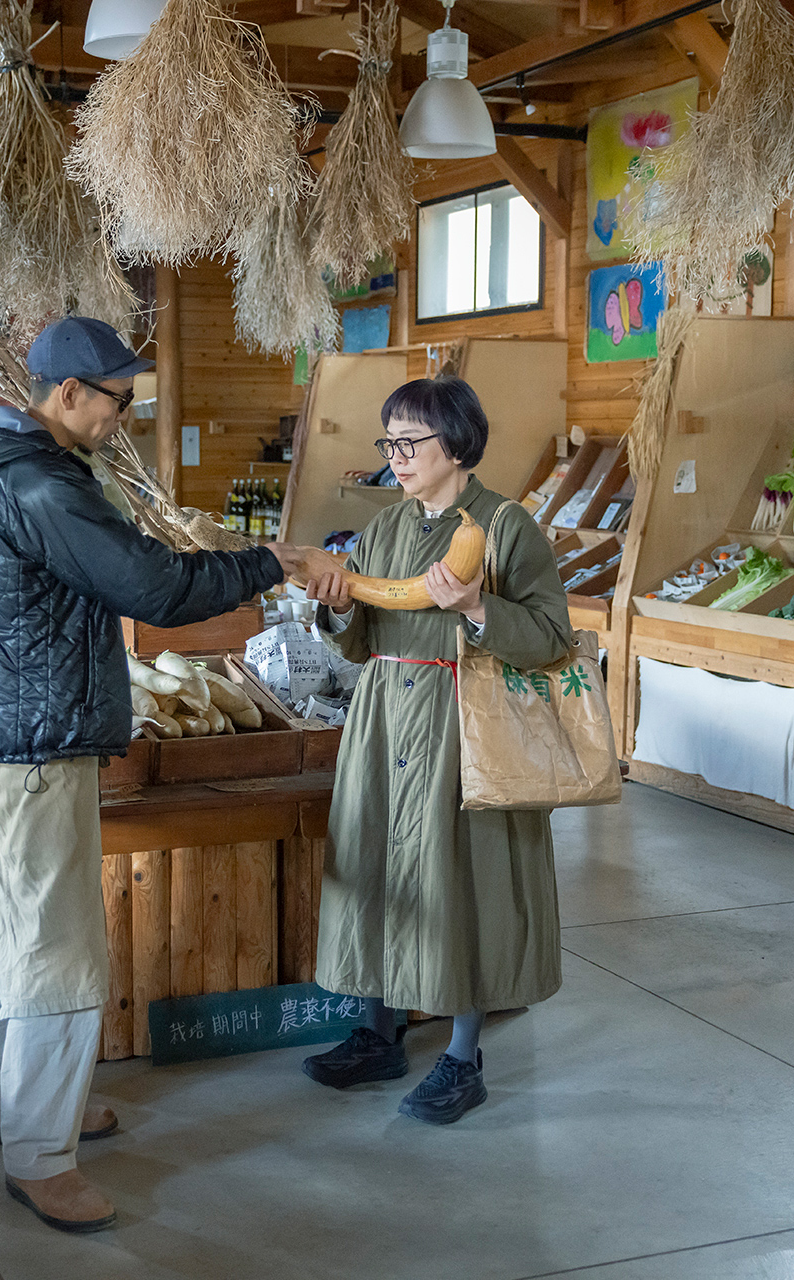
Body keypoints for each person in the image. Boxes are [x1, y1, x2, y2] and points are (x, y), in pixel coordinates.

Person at [0, 316, 307, 1232]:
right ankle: (40, 1155)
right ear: (67, 394)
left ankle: (14, 1110)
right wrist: (272, 561)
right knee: (59, 943)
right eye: (118, 401)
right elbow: (155, 590)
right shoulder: (40, 486)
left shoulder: (24, 470)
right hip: (39, 739)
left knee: (19, 924)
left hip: (26, 728)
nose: (125, 416)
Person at [302, 374, 571, 1125]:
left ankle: (463, 1056)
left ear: (455, 442)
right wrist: (334, 612)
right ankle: (378, 1032)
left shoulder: (507, 525)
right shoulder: (383, 531)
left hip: (466, 723)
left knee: (464, 878)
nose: (396, 455)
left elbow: (552, 639)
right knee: (380, 867)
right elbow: (361, 644)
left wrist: (480, 607)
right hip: (385, 715)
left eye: (409, 440)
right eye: (388, 441)